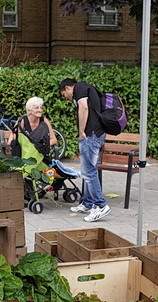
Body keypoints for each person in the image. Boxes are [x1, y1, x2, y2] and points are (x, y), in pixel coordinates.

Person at [59, 78, 111, 222]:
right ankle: (88, 203)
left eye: (64, 94)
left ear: (68, 88)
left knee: (89, 172)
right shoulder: (86, 88)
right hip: (95, 134)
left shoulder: (80, 88)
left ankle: (101, 205)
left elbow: (84, 107)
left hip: (91, 135)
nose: (67, 98)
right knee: (88, 170)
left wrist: (81, 131)